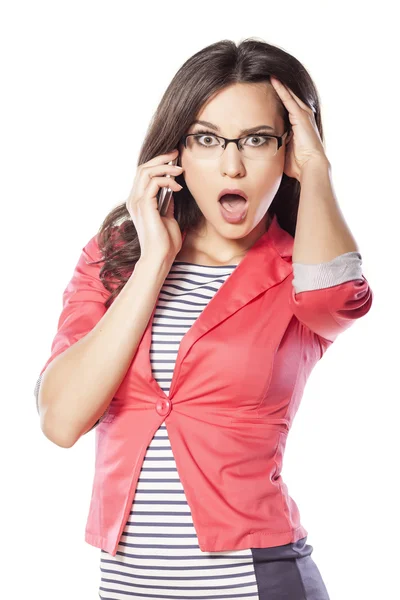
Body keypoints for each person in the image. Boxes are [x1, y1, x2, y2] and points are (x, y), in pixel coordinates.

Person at [35, 38, 373, 599]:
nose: (232, 164)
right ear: (177, 153)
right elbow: (61, 421)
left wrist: (316, 168)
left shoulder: (301, 270)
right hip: (128, 588)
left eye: (259, 140)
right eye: (208, 139)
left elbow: (339, 299)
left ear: (286, 151)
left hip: (257, 581)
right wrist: (155, 262)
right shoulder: (114, 257)